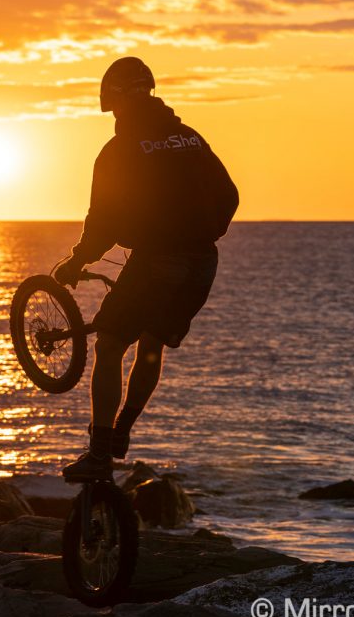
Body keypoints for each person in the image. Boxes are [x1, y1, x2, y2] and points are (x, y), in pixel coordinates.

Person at [55, 56, 239, 481]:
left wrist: (77, 261)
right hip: (203, 264)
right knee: (152, 346)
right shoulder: (190, 138)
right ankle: (121, 433)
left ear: (114, 100)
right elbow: (229, 194)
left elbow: (101, 220)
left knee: (110, 346)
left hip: (159, 260)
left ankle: (99, 453)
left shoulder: (120, 150)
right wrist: (204, 234)